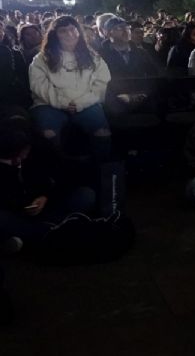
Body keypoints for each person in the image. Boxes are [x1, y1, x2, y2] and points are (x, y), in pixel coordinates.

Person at [0, 109, 96, 252]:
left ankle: (33, 237)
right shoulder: (5, 156)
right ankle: (51, 234)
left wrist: (46, 197)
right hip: (18, 213)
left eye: (24, 152)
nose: (21, 158)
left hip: (48, 208)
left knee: (86, 195)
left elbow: (66, 179)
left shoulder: (42, 150)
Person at [28, 16, 112, 160]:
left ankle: (102, 170)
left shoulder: (93, 57)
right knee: (48, 133)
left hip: (86, 103)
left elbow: (102, 83)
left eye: (72, 29)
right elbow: (39, 85)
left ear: (78, 32)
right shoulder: (41, 59)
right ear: (55, 35)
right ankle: (59, 169)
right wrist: (63, 103)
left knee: (102, 132)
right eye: (63, 31)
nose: (69, 34)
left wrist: (81, 103)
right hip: (49, 104)